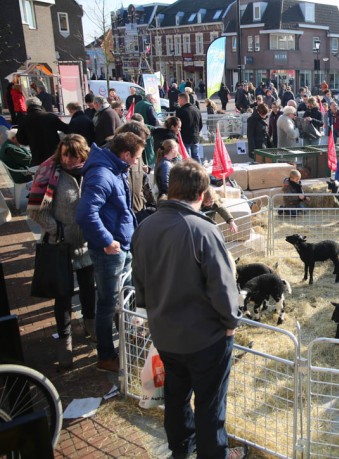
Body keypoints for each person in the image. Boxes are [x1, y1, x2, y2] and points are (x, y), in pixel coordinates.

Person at [132, 160, 245, 459]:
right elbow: (222, 286)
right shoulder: (202, 230)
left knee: (176, 395)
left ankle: (181, 448)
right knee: (210, 404)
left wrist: (154, 313)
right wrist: (231, 322)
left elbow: (138, 279)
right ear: (202, 193)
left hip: (166, 333)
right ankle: (214, 454)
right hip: (205, 338)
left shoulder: (145, 226)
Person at [76, 132, 144, 373]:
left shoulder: (113, 168)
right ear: (125, 154)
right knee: (107, 303)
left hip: (121, 246)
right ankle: (106, 355)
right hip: (110, 251)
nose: (137, 162)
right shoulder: (102, 174)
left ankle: (127, 338)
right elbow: (85, 213)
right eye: (136, 157)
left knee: (121, 298)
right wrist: (106, 240)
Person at [27, 134, 96, 368]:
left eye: (73, 155)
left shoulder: (91, 172)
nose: (67, 159)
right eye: (64, 153)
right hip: (60, 246)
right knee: (63, 295)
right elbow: (36, 210)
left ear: (83, 154)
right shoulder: (50, 173)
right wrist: (58, 230)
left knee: (89, 288)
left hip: (85, 245)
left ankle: (90, 323)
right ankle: (65, 339)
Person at [16, 96, 71, 165]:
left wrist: (31, 140)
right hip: (54, 153)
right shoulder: (50, 116)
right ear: (40, 105)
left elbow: (21, 140)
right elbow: (66, 129)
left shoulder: (24, 120)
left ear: (27, 106)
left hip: (37, 156)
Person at [177, 93, 202, 161]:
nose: (178, 101)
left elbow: (177, 125)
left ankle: (190, 171)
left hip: (185, 138)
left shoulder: (180, 111)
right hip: (195, 136)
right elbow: (200, 124)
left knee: (187, 157)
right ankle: (199, 170)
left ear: (183, 100)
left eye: (179, 99)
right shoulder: (196, 109)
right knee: (196, 156)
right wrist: (196, 132)